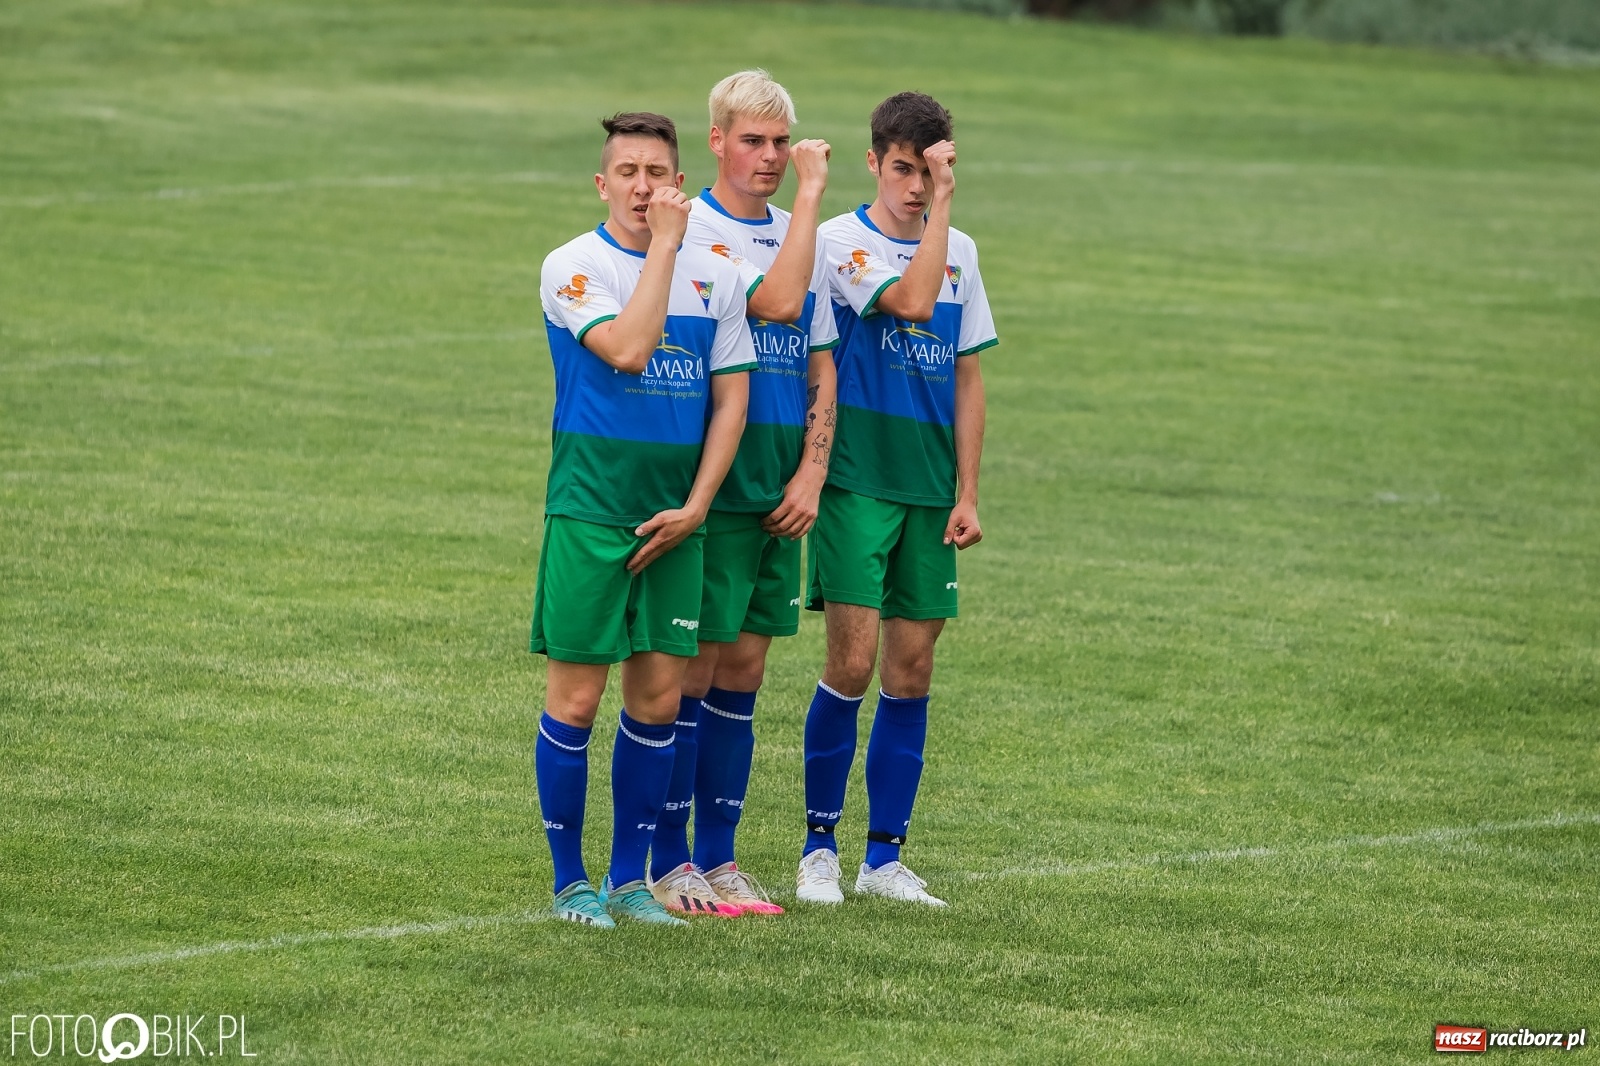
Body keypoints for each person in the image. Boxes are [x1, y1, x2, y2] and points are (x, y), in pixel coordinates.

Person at [531, 111, 755, 928]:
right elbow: (627, 348)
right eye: (627, 172)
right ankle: (570, 884)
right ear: (602, 183)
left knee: (658, 703)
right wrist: (664, 248)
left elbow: (732, 401)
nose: (642, 187)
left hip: (677, 522)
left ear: (679, 182)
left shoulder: (721, 276)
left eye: (657, 173)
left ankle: (630, 881)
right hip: (591, 514)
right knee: (578, 702)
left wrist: (698, 507)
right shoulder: (572, 265)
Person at [796, 92, 998, 907]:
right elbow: (911, 304)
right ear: (876, 161)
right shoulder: (841, 242)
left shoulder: (964, 253)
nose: (917, 187)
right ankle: (818, 849)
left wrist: (968, 492)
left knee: (911, 670)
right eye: (905, 169)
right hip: (855, 481)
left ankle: (884, 861)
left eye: (932, 170)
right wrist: (943, 208)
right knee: (851, 661)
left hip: (926, 490)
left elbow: (969, 372)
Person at [645, 70, 839, 917]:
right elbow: (779, 301)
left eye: (777, 144)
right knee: (693, 670)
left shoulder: (807, 237)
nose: (767, 158)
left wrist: (812, 471)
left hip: (780, 489)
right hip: (718, 491)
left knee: (747, 669)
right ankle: (669, 860)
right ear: (717, 141)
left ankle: (719, 863)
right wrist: (812, 196)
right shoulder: (700, 232)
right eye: (751, 142)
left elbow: (820, 360)